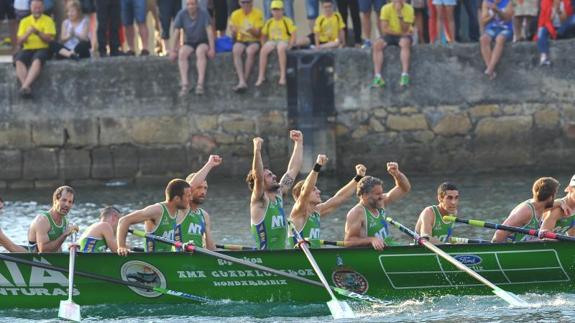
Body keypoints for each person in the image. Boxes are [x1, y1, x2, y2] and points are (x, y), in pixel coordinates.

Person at [290, 156, 366, 248]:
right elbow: (306, 190)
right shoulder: (299, 212)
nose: (319, 192)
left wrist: (358, 178)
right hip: (299, 258)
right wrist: (317, 166)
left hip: (315, 257)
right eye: (314, 190)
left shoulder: (317, 211)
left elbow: (340, 197)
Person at [247, 130, 303, 250]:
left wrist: (299, 142)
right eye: (269, 175)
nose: (274, 176)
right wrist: (257, 150)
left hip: (281, 254)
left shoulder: (278, 194)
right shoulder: (259, 200)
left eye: (272, 174)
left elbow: (293, 169)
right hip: (265, 256)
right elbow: (258, 176)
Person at [344, 163, 411, 250]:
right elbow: (348, 241)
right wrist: (371, 240)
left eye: (381, 193)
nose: (381, 196)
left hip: (389, 247)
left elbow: (404, 188)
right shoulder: (356, 212)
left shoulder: (381, 201)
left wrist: (397, 174)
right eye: (377, 194)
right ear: (364, 195)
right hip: (373, 254)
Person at [116, 179, 192, 256]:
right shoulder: (157, 210)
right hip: (151, 261)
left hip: (166, 258)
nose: (191, 198)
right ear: (177, 199)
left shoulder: (178, 212)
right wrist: (122, 246)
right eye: (188, 196)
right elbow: (124, 220)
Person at [174, 155, 222, 251]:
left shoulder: (204, 215)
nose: (203, 192)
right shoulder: (180, 209)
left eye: (205, 188)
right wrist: (209, 164)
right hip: (179, 258)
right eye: (199, 187)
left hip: (198, 259)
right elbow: (191, 186)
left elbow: (211, 249)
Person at [492, 177, 560, 242]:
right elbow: (498, 235)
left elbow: (555, 204)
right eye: (555, 193)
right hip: (511, 250)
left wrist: (561, 203)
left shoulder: (539, 207)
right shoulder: (526, 211)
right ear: (550, 197)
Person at [170, 0, 216, 97]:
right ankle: (185, 84)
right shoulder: (181, 14)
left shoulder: (203, 13)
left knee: (200, 52)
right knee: (182, 53)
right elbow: (176, 32)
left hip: (203, 41)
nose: (191, 6)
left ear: (197, 5)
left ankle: (200, 84)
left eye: (193, 4)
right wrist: (173, 50)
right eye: (188, 4)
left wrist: (212, 48)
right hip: (189, 42)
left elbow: (209, 32)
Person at [14, 0, 55, 98]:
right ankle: (26, 87)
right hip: (28, 49)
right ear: (30, 8)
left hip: (43, 48)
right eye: (35, 7)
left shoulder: (48, 20)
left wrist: (37, 32)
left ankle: (24, 86)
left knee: (37, 60)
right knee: (19, 60)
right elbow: (19, 42)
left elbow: (49, 40)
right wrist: (27, 33)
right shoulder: (24, 21)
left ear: (43, 8)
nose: (37, 10)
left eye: (39, 7)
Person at [371, 0, 415, 88]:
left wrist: (399, 14)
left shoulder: (409, 9)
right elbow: (384, 29)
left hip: (403, 34)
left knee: (405, 43)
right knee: (377, 45)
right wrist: (400, 34)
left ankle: (404, 75)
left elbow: (405, 29)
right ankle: (378, 76)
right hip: (391, 34)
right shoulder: (385, 8)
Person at [255, 0, 297, 87]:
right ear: (271, 11)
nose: (276, 12)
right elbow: (263, 35)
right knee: (263, 51)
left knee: (281, 48)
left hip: (284, 40)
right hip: (273, 41)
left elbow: (293, 34)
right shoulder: (269, 22)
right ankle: (261, 76)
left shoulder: (287, 20)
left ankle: (282, 76)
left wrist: (290, 45)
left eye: (279, 10)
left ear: (283, 11)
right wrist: (263, 44)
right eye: (274, 10)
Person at [27, 186, 79, 253]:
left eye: (70, 202)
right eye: (64, 200)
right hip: (36, 260)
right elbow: (43, 251)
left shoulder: (65, 221)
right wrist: (65, 234)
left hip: (52, 260)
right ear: (55, 201)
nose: (67, 204)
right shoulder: (42, 220)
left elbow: (58, 248)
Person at [229, 0, 264, 92]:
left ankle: (244, 80)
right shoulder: (235, 14)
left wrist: (251, 30)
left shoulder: (258, 13)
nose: (246, 4)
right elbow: (234, 37)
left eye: (248, 2)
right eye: (243, 2)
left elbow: (258, 34)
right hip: (241, 40)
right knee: (236, 50)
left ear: (252, 3)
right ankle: (242, 80)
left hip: (254, 40)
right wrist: (233, 32)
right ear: (239, 3)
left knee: (250, 51)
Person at [479, 0, 513, 80]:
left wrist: (497, 10)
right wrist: (492, 16)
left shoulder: (508, 2)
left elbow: (508, 18)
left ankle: (490, 69)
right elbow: (483, 21)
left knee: (500, 38)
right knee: (483, 39)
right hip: (492, 28)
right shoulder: (486, 2)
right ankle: (490, 69)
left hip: (506, 28)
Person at [536, 0, 575, 66]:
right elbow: (547, 20)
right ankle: (544, 57)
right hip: (550, 26)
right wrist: (554, 10)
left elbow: (564, 20)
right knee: (541, 31)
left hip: (562, 27)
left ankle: (557, 33)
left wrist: (559, 10)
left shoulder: (566, 2)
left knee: (572, 21)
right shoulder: (546, 2)